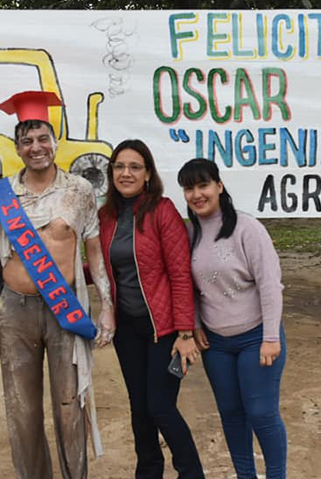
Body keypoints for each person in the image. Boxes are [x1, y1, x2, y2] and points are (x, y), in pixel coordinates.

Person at [0, 91, 115, 479]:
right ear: (18, 148)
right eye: (27, 141)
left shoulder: (79, 191)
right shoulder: (1, 196)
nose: (36, 147)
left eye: (42, 139)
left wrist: (107, 306)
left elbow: (94, 253)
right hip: (14, 311)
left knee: (70, 406)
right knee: (22, 409)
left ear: (54, 142)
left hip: (63, 309)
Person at [98, 140, 204, 479]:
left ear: (147, 175)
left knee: (160, 407)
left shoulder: (163, 210)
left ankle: (192, 473)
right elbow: (103, 267)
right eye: (119, 166)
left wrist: (185, 331)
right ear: (111, 172)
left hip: (164, 329)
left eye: (134, 167)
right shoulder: (106, 216)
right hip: (127, 329)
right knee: (139, 409)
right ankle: (148, 473)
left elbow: (180, 272)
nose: (125, 173)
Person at [177, 158, 287, 479]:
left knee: (262, 413)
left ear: (219, 186)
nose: (197, 194)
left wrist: (270, 337)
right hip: (217, 344)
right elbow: (188, 285)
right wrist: (194, 323)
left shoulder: (247, 228)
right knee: (232, 414)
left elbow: (270, 284)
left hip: (256, 338)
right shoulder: (190, 233)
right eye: (189, 188)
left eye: (203, 185)